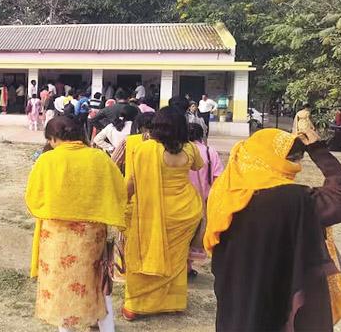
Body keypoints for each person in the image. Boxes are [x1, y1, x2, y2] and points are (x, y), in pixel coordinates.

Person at [205, 128, 341, 331]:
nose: (296, 166)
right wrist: (318, 150)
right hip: (282, 300)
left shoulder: (225, 192)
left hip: (237, 299)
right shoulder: (295, 200)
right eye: (294, 159)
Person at [25, 116, 127, 332]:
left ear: (54, 138)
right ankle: (106, 327)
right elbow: (119, 191)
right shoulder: (99, 158)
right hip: (91, 236)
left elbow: (33, 198)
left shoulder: (46, 160)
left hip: (56, 236)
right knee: (97, 283)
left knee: (62, 284)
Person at [122, 107, 204, 320]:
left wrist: (120, 201)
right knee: (176, 260)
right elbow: (197, 167)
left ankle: (137, 305)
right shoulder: (190, 149)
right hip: (185, 211)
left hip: (152, 213)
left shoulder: (146, 149)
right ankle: (172, 303)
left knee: (146, 253)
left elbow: (132, 182)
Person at [186, 123, 224, 277]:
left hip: (182, 198)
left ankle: (183, 265)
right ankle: (188, 265)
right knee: (197, 234)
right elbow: (217, 177)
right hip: (203, 198)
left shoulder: (180, 151)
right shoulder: (209, 152)